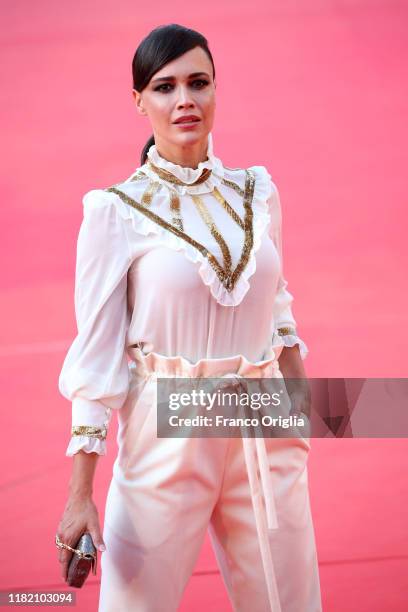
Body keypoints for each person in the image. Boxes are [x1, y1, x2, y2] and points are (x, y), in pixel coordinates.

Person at [56, 23, 323, 612]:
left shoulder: (257, 191)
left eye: (198, 83)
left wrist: (299, 404)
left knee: (291, 603)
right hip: (165, 426)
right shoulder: (114, 212)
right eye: (164, 87)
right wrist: (80, 494)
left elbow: (276, 302)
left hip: (261, 419)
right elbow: (97, 355)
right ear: (138, 101)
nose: (184, 101)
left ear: (216, 90)